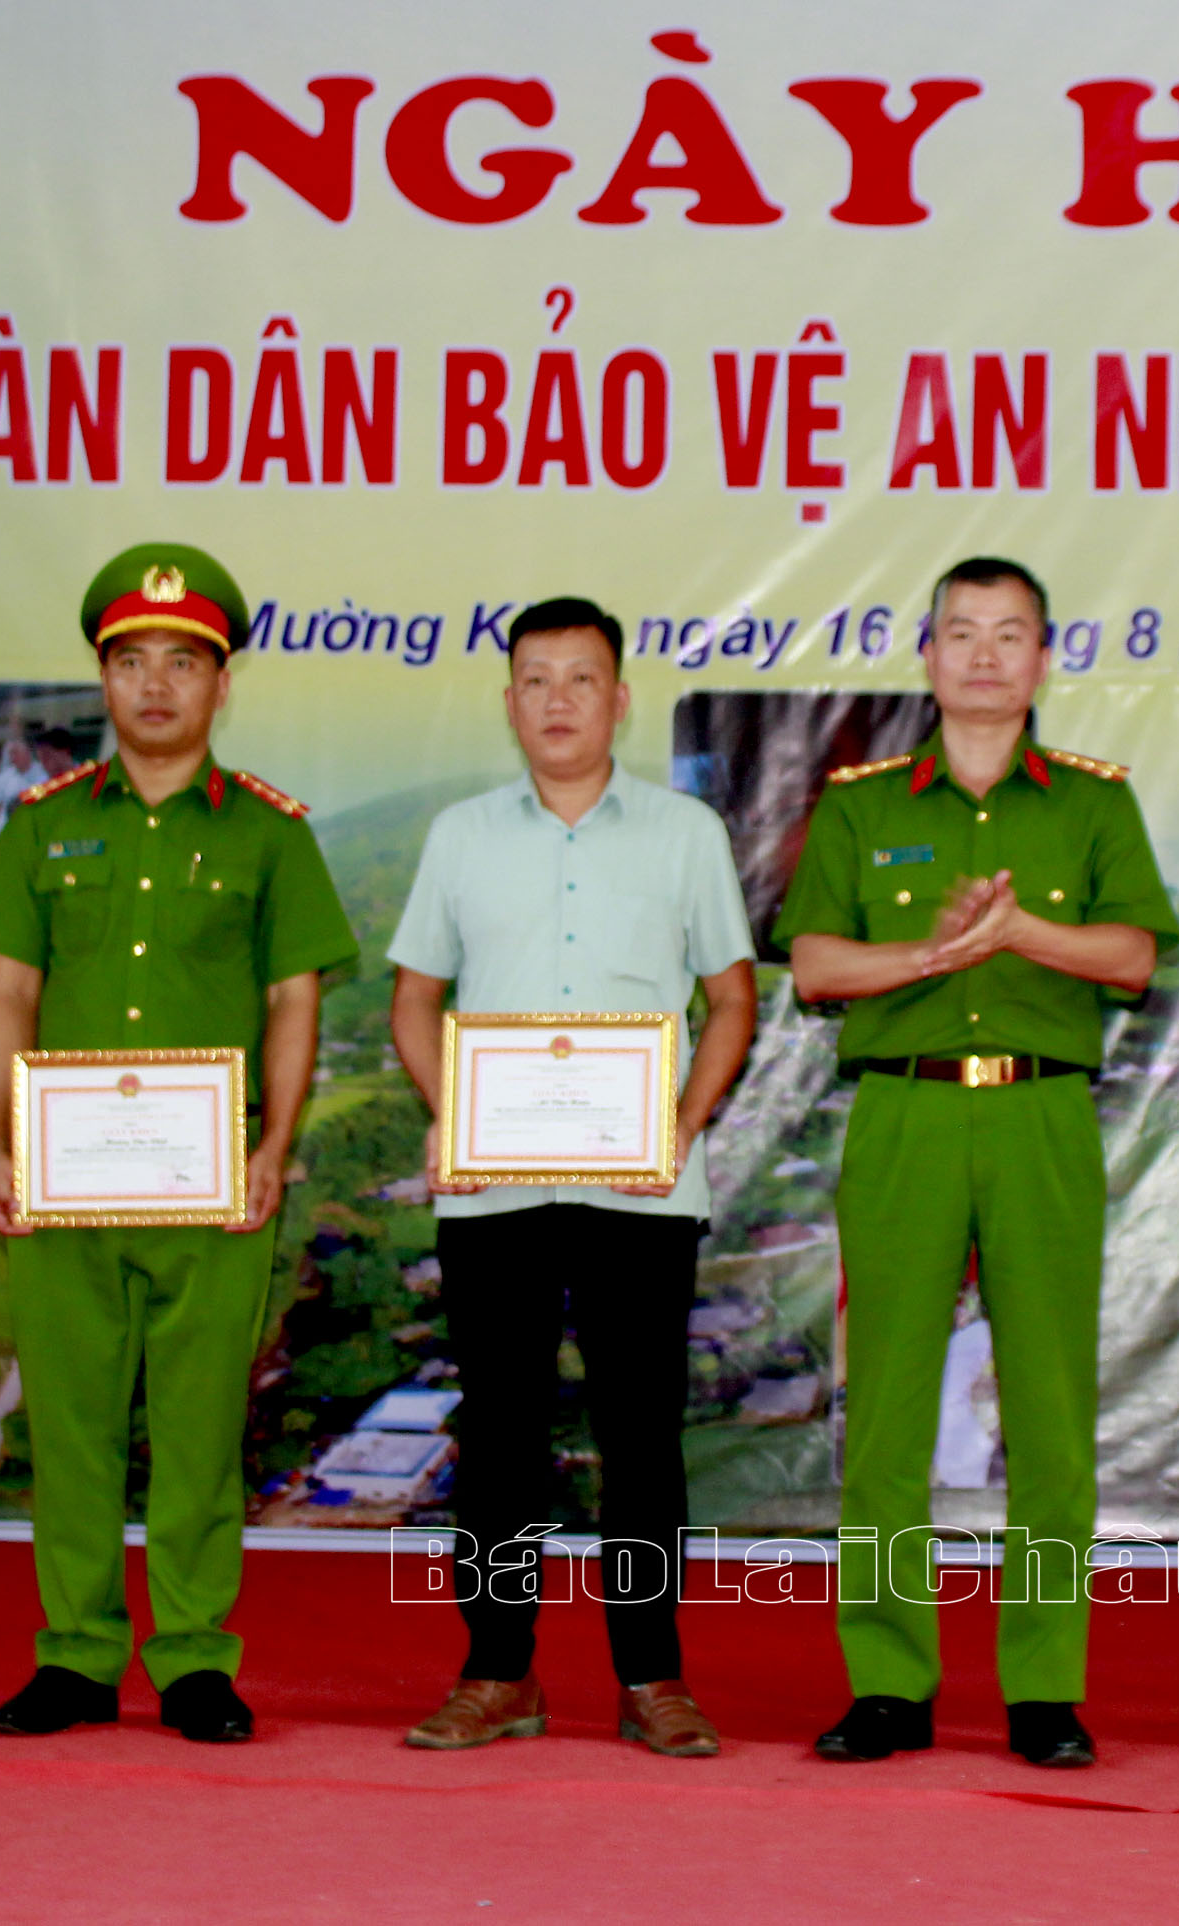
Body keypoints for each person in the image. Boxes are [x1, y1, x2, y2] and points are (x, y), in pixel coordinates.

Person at [774, 556, 1179, 1770]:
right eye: (963, 633)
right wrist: (930, 959)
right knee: (887, 1412)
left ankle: (1045, 1687)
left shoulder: (1095, 803)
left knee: (1049, 1417)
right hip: (905, 1117)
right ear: (929, 657)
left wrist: (1018, 935)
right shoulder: (863, 805)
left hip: (1041, 1120)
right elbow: (812, 969)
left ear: (1045, 660)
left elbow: (1132, 959)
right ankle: (890, 1682)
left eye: (1012, 635)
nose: (987, 655)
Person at [0, 543, 358, 1746]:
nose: (156, 686)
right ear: (102, 678)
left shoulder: (271, 836)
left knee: (195, 1431)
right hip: (68, 1179)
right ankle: (75, 1658)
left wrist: (274, 1145)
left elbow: (294, 1000)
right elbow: (10, 992)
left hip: (210, 1179)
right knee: (71, 1423)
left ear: (220, 684)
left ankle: (193, 1663)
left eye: (184, 663)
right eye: (131, 662)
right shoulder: (43, 829)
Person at [388, 596, 757, 1758]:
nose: (557, 699)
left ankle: (653, 1677)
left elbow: (733, 1001)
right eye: (535, 679)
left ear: (618, 699)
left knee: (641, 1438)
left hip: (641, 1195)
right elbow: (414, 1003)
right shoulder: (459, 835)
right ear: (509, 704)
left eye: (580, 679)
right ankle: (499, 1673)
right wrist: (463, 1118)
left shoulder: (686, 833)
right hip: (492, 1191)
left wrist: (680, 1128)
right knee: (499, 1435)